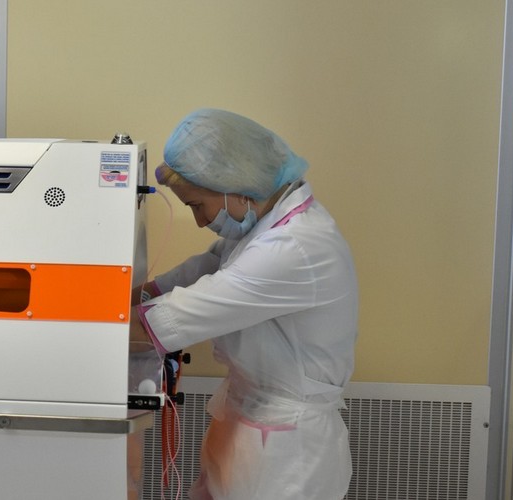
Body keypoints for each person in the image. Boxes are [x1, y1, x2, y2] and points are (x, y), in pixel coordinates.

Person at [131, 108, 358, 500]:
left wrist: (63, 327)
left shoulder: (294, 247)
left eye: (196, 205)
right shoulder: (262, 227)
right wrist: (134, 293)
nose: (199, 221)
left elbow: (170, 318)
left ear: (235, 188)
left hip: (287, 452)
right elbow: (195, 273)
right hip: (247, 424)